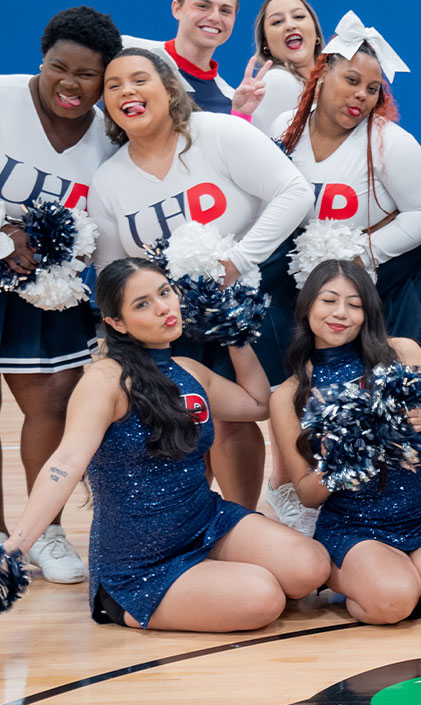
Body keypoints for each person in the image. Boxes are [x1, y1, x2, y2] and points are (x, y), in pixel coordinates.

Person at [0, 258, 329, 631]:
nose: (162, 307)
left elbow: (255, 405)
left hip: (205, 522)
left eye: (164, 293)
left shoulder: (188, 370)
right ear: (115, 323)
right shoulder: (105, 381)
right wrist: (15, 548)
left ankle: (207, 577)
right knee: (263, 597)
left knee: (311, 567)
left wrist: (236, 336)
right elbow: (65, 464)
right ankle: (133, 597)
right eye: (142, 304)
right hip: (138, 560)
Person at [89, 47, 313, 507]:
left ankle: (258, 514)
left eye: (138, 79)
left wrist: (237, 263)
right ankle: (203, 523)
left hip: (246, 310)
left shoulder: (218, 133)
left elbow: (294, 192)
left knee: (246, 418)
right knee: (194, 420)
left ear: (169, 89)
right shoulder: (108, 180)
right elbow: (113, 272)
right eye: (113, 86)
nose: (126, 91)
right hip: (172, 326)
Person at [267, 15, 421, 528]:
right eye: (352, 80)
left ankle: (388, 502)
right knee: (295, 395)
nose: (362, 96)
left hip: (362, 296)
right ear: (322, 72)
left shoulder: (388, 141)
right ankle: (290, 495)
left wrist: (365, 253)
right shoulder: (283, 127)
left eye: (373, 88)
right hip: (295, 289)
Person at [267, 260, 421, 624]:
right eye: (329, 301)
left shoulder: (403, 353)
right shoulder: (289, 396)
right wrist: (340, 458)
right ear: (308, 305)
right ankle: (356, 573)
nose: (341, 313)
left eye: (355, 304)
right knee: (391, 602)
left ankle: (409, 575)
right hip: (355, 526)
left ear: (368, 313)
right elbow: (307, 494)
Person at [0, 6, 123, 584]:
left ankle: (44, 532)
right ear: (41, 59)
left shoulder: (110, 133)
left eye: (88, 74)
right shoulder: (2, 98)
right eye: (58, 68)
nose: (70, 84)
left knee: (51, 405)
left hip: (52, 289)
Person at [122, 0, 267, 118]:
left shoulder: (229, 101)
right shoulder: (126, 52)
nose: (214, 17)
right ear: (177, 9)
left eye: (225, 11)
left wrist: (240, 116)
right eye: (203, 6)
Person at [248, 0, 324, 135]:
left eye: (299, 16)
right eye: (277, 22)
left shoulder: (332, 83)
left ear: (316, 32)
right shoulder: (277, 81)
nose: (290, 25)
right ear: (266, 44)